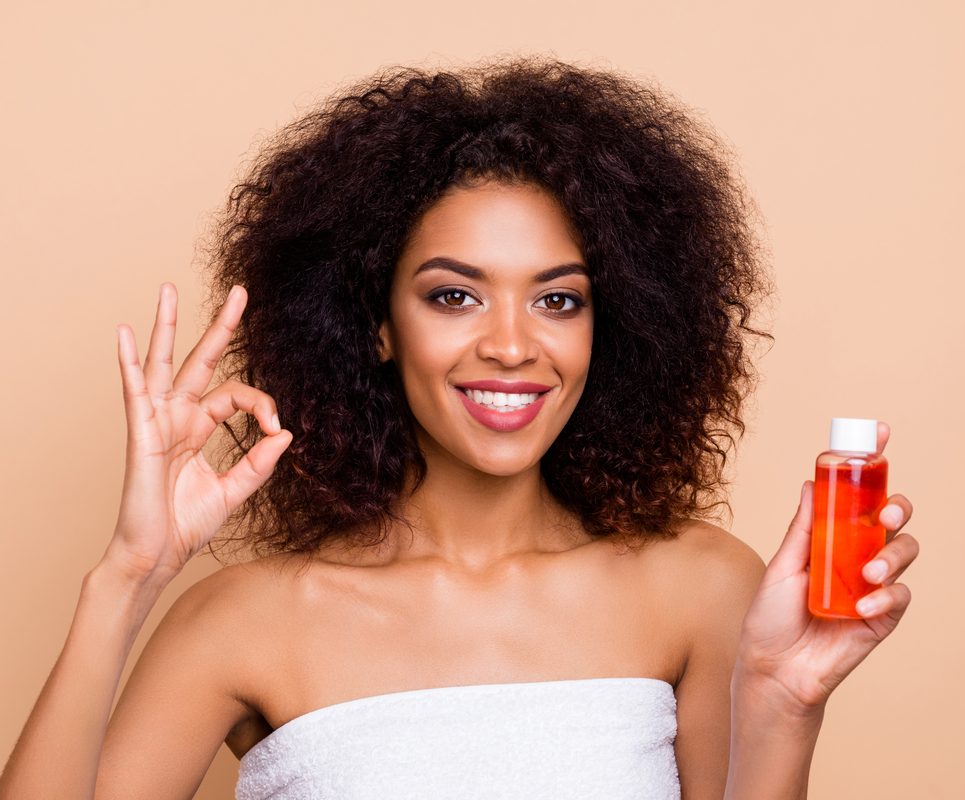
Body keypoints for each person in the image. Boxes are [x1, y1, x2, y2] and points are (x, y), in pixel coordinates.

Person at [0, 56, 918, 799]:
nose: (513, 345)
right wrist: (129, 574)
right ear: (377, 327)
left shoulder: (701, 589)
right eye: (454, 295)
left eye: (558, 299)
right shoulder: (246, 623)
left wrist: (782, 706)